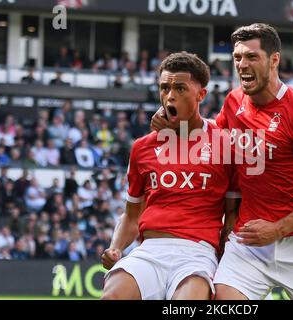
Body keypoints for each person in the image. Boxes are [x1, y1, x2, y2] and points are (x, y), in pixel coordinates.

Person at [151, 23, 293, 300]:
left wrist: (278, 228)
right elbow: (209, 140)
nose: (242, 65)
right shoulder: (234, 102)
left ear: (274, 59)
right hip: (248, 241)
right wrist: (174, 121)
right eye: (237, 57)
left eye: (252, 57)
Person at [101, 52, 239, 300]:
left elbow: (232, 214)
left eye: (180, 88)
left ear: (201, 94)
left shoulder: (226, 143)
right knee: (112, 296)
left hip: (198, 252)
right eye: (164, 88)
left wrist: (226, 261)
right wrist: (116, 248)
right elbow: (132, 216)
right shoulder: (142, 147)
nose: (170, 95)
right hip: (150, 250)